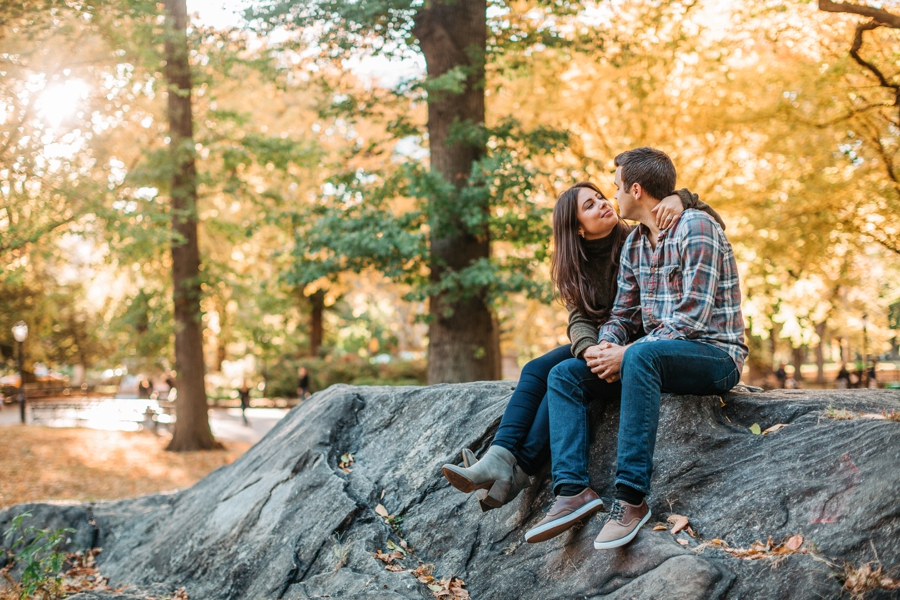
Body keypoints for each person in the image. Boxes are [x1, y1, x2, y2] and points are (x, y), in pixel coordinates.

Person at [441, 179, 726, 513]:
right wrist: (590, 348)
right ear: (576, 229)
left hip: (647, 343)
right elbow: (578, 319)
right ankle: (501, 458)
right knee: (537, 369)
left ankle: (516, 470)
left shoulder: (634, 237)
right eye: (590, 205)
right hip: (610, 341)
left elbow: (700, 222)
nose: (604, 203)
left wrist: (682, 198)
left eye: (602, 197)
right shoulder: (574, 266)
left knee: (561, 375)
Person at [528, 147, 747, 550]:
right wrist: (604, 347)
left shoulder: (696, 227)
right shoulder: (634, 246)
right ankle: (573, 491)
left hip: (714, 356)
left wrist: (626, 355)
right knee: (564, 375)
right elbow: (624, 314)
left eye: (614, 188)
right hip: (658, 358)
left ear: (635, 188)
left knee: (641, 354)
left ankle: (630, 500)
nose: (612, 197)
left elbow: (692, 320)